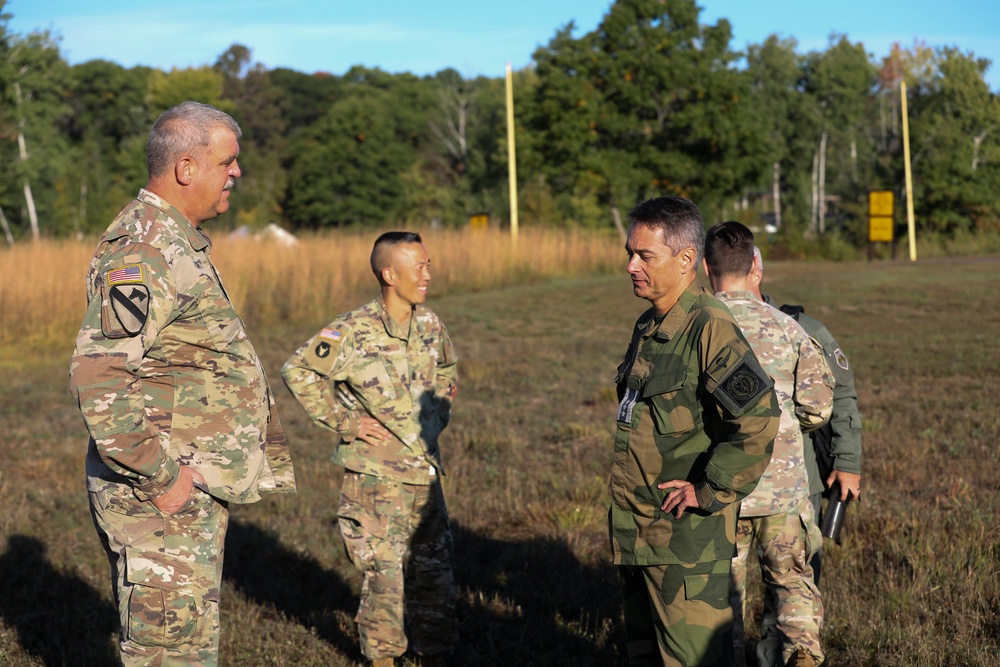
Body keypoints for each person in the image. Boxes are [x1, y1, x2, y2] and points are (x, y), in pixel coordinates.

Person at [68, 100, 297, 666]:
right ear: (186, 167)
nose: (237, 173)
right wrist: (162, 476)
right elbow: (99, 374)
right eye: (228, 162)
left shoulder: (173, 237)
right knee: (169, 656)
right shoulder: (145, 248)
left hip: (177, 494)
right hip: (159, 496)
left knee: (186, 650)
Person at [610, 196, 780, 667]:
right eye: (630, 253)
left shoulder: (710, 327)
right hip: (641, 534)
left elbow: (759, 417)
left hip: (685, 547)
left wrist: (710, 489)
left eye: (645, 256)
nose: (630, 266)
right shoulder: (650, 324)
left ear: (687, 259)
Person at [281, 231, 458, 667]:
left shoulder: (430, 324)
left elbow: (449, 368)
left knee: (433, 574)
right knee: (385, 581)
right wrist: (346, 422)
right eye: (418, 267)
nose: (427, 275)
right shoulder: (352, 330)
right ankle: (383, 660)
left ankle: (434, 653)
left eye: (428, 264)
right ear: (388, 273)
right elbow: (297, 370)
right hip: (376, 482)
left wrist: (439, 414)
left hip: (424, 474)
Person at [703, 222, 834, 667]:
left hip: (720, 492)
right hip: (783, 492)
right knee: (793, 587)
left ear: (706, 268)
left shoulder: (697, 328)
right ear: (754, 265)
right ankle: (800, 656)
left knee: (722, 602)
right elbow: (818, 409)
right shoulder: (788, 329)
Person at [750, 245, 863, 667]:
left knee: (794, 586)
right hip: (728, 489)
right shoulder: (710, 326)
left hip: (800, 485)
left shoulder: (802, 328)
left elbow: (844, 398)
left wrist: (847, 463)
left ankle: (776, 656)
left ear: (756, 270)